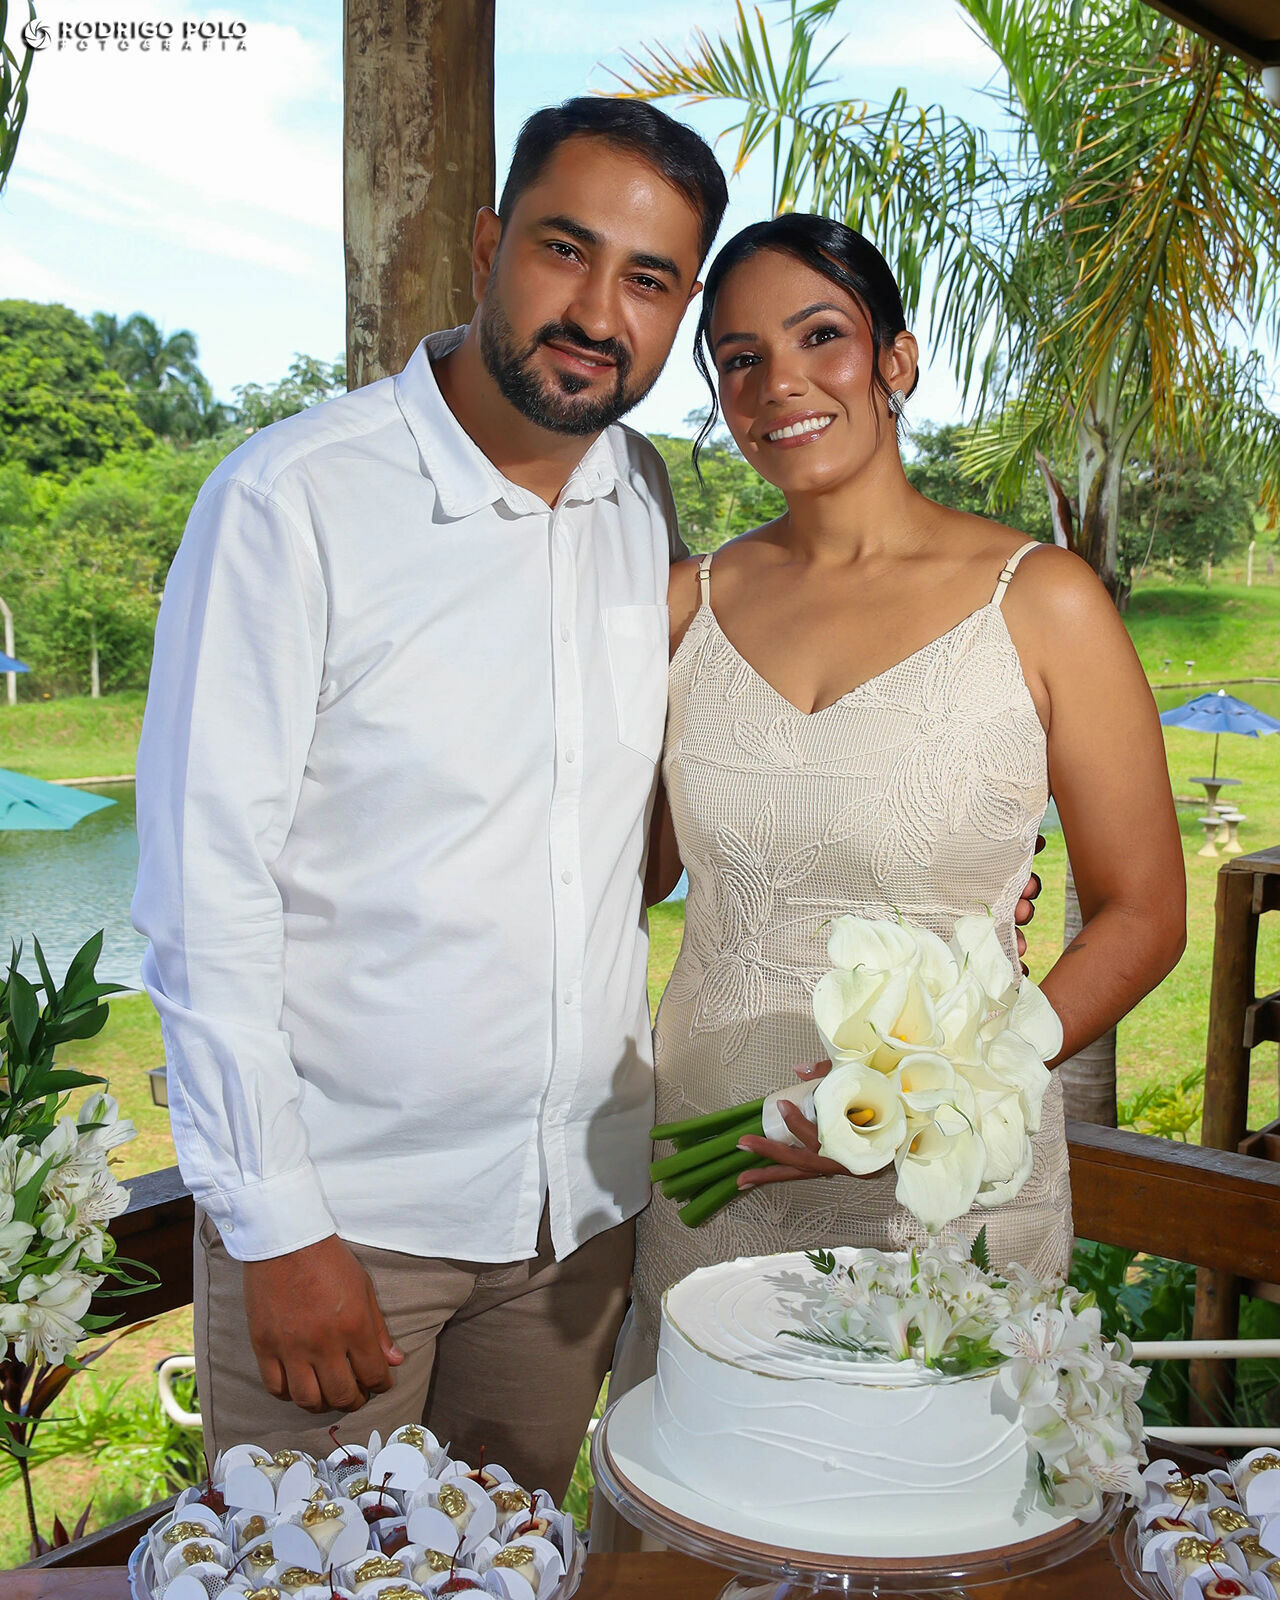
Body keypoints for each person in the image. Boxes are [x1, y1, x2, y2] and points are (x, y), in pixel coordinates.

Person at [131, 97, 727, 1501]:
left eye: (648, 280)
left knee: (519, 1567)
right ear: (485, 243)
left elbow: (616, 844)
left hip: (574, 1231)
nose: (596, 311)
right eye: (563, 252)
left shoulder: (639, 497)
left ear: (681, 308)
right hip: (350, 1235)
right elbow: (203, 899)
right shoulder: (293, 504)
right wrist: (277, 1231)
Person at [603, 214, 1186, 1456]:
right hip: (712, 1170)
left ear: (896, 362)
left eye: (820, 337)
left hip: (944, 1182)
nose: (780, 384)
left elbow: (1143, 912)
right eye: (739, 357)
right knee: (712, 1521)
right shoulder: (676, 607)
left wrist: (936, 1092)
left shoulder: (1038, 602)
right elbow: (621, 869)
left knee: (932, 1518)